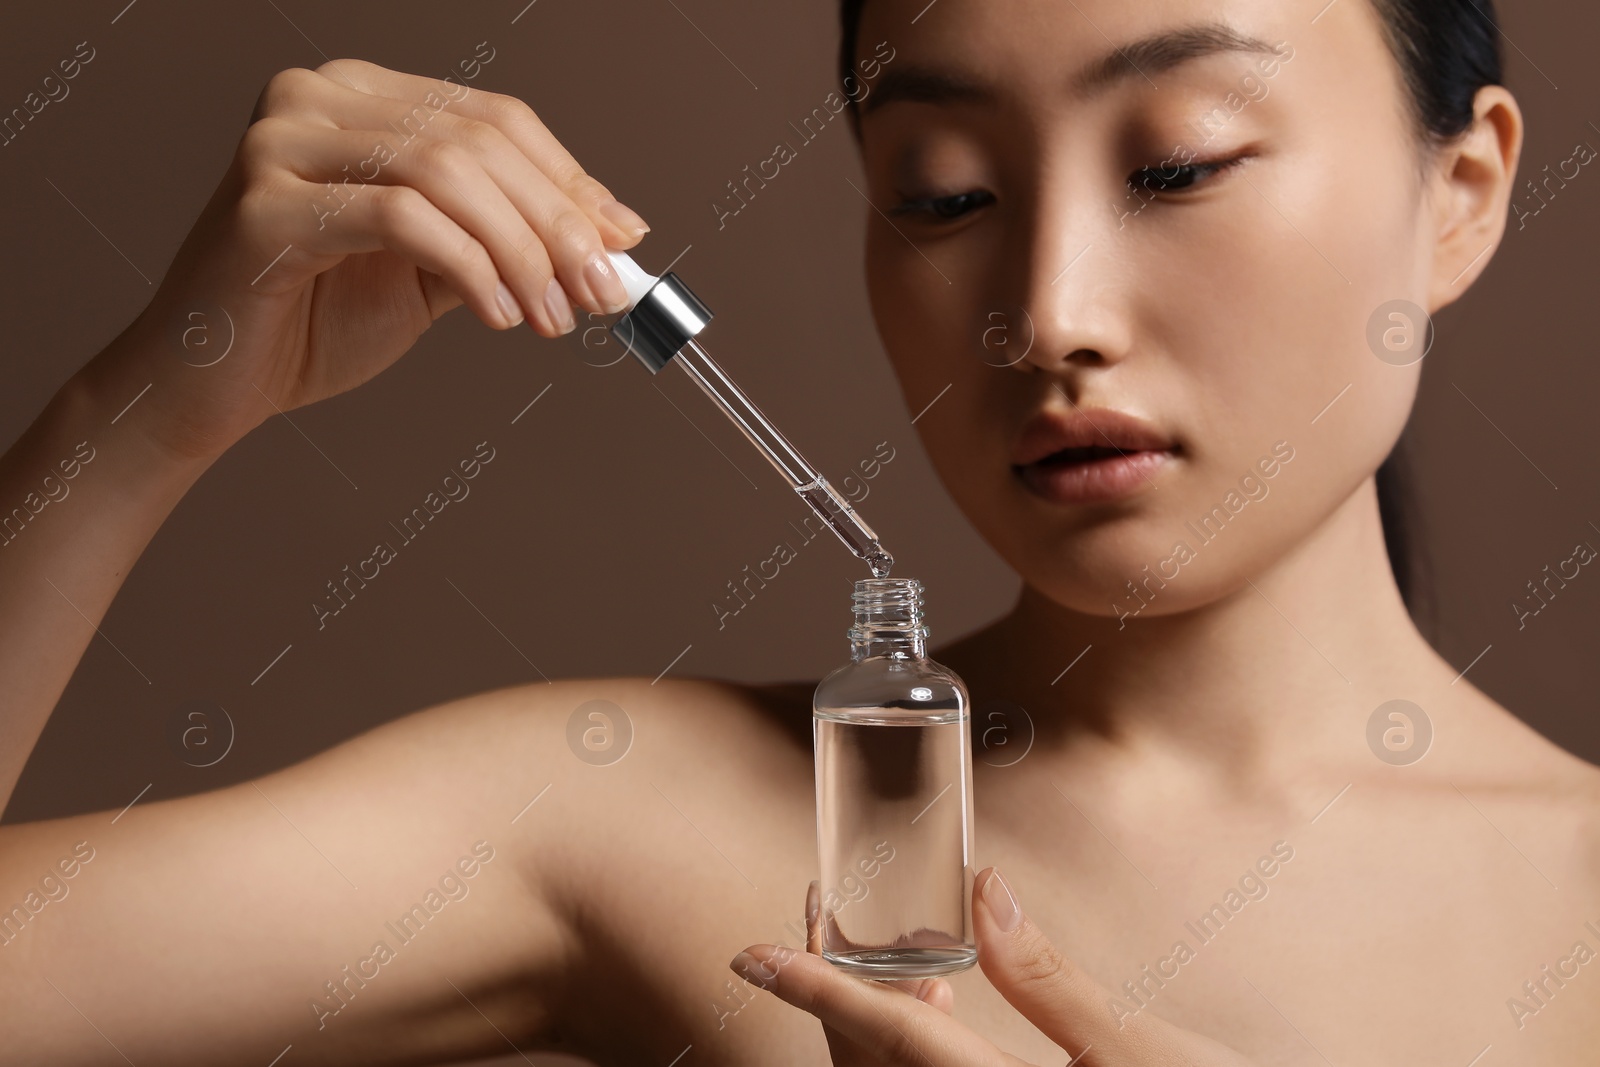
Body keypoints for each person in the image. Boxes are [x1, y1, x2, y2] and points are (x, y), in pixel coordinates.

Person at [1, 0, 1595, 1063]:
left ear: (1458, 192)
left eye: (1177, 164)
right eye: (945, 192)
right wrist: (148, 407)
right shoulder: (633, 807)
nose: (1047, 317)